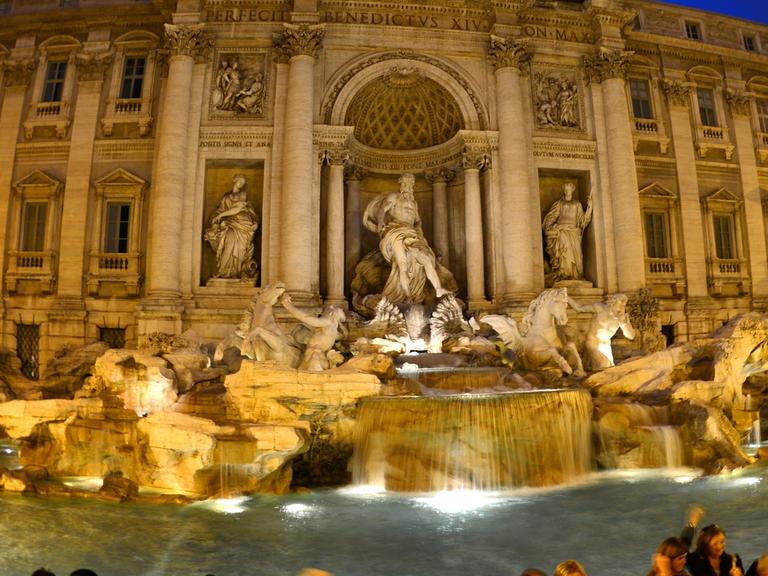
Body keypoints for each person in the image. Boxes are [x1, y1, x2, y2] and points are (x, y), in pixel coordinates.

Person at [362, 172, 452, 304]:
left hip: (412, 233)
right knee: (402, 264)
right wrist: (380, 223)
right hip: (395, 231)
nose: (408, 186)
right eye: (406, 183)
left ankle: (438, 289)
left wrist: (420, 235)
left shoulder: (414, 203)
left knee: (426, 259)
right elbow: (382, 210)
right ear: (401, 184)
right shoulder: (394, 197)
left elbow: (417, 221)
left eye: (411, 183)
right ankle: (407, 296)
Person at [204, 174, 259, 280]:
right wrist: (216, 217)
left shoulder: (243, 195)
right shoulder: (226, 198)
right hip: (230, 225)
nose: (241, 184)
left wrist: (221, 215)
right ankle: (224, 271)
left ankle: (237, 272)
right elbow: (220, 210)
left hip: (243, 225)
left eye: (243, 183)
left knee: (241, 250)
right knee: (228, 245)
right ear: (235, 181)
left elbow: (238, 209)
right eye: (240, 182)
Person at [280, 292, 347, 371]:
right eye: (339, 309)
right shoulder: (326, 322)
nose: (341, 309)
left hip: (322, 356)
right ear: (332, 313)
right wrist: (288, 305)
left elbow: (342, 338)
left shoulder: (333, 328)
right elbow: (305, 318)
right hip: (314, 355)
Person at [568, 293, 636, 370]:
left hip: (606, 346)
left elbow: (631, 336)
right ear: (613, 301)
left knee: (611, 368)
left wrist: (624, 324)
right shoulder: (600, 308)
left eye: (624, 304)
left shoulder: (622, 318)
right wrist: (567, 298)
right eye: (620, 302)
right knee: (604, 364)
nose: (622, 306)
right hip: (593, 343)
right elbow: (579, 308)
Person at [542, 182, 593, 283]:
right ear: (564, 191)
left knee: (577, 255)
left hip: (574, 232)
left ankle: (575, 275)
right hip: (562, 231)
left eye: (569, 189)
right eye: (566, 189)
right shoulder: (559, 204)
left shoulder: (577, 204)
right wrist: (549, 227)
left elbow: (583, 221)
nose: (568, 191)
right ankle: (564, 274)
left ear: (572, 191)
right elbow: (551, 217)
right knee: (565, 251)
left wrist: (590, 208)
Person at [680, 507, 744, 576]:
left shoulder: (733, 561)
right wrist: (691, 524)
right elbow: (681, 547)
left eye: (722, 542)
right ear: (705, 545)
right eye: (715, 544)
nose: (719, 546)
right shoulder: (695, 561)